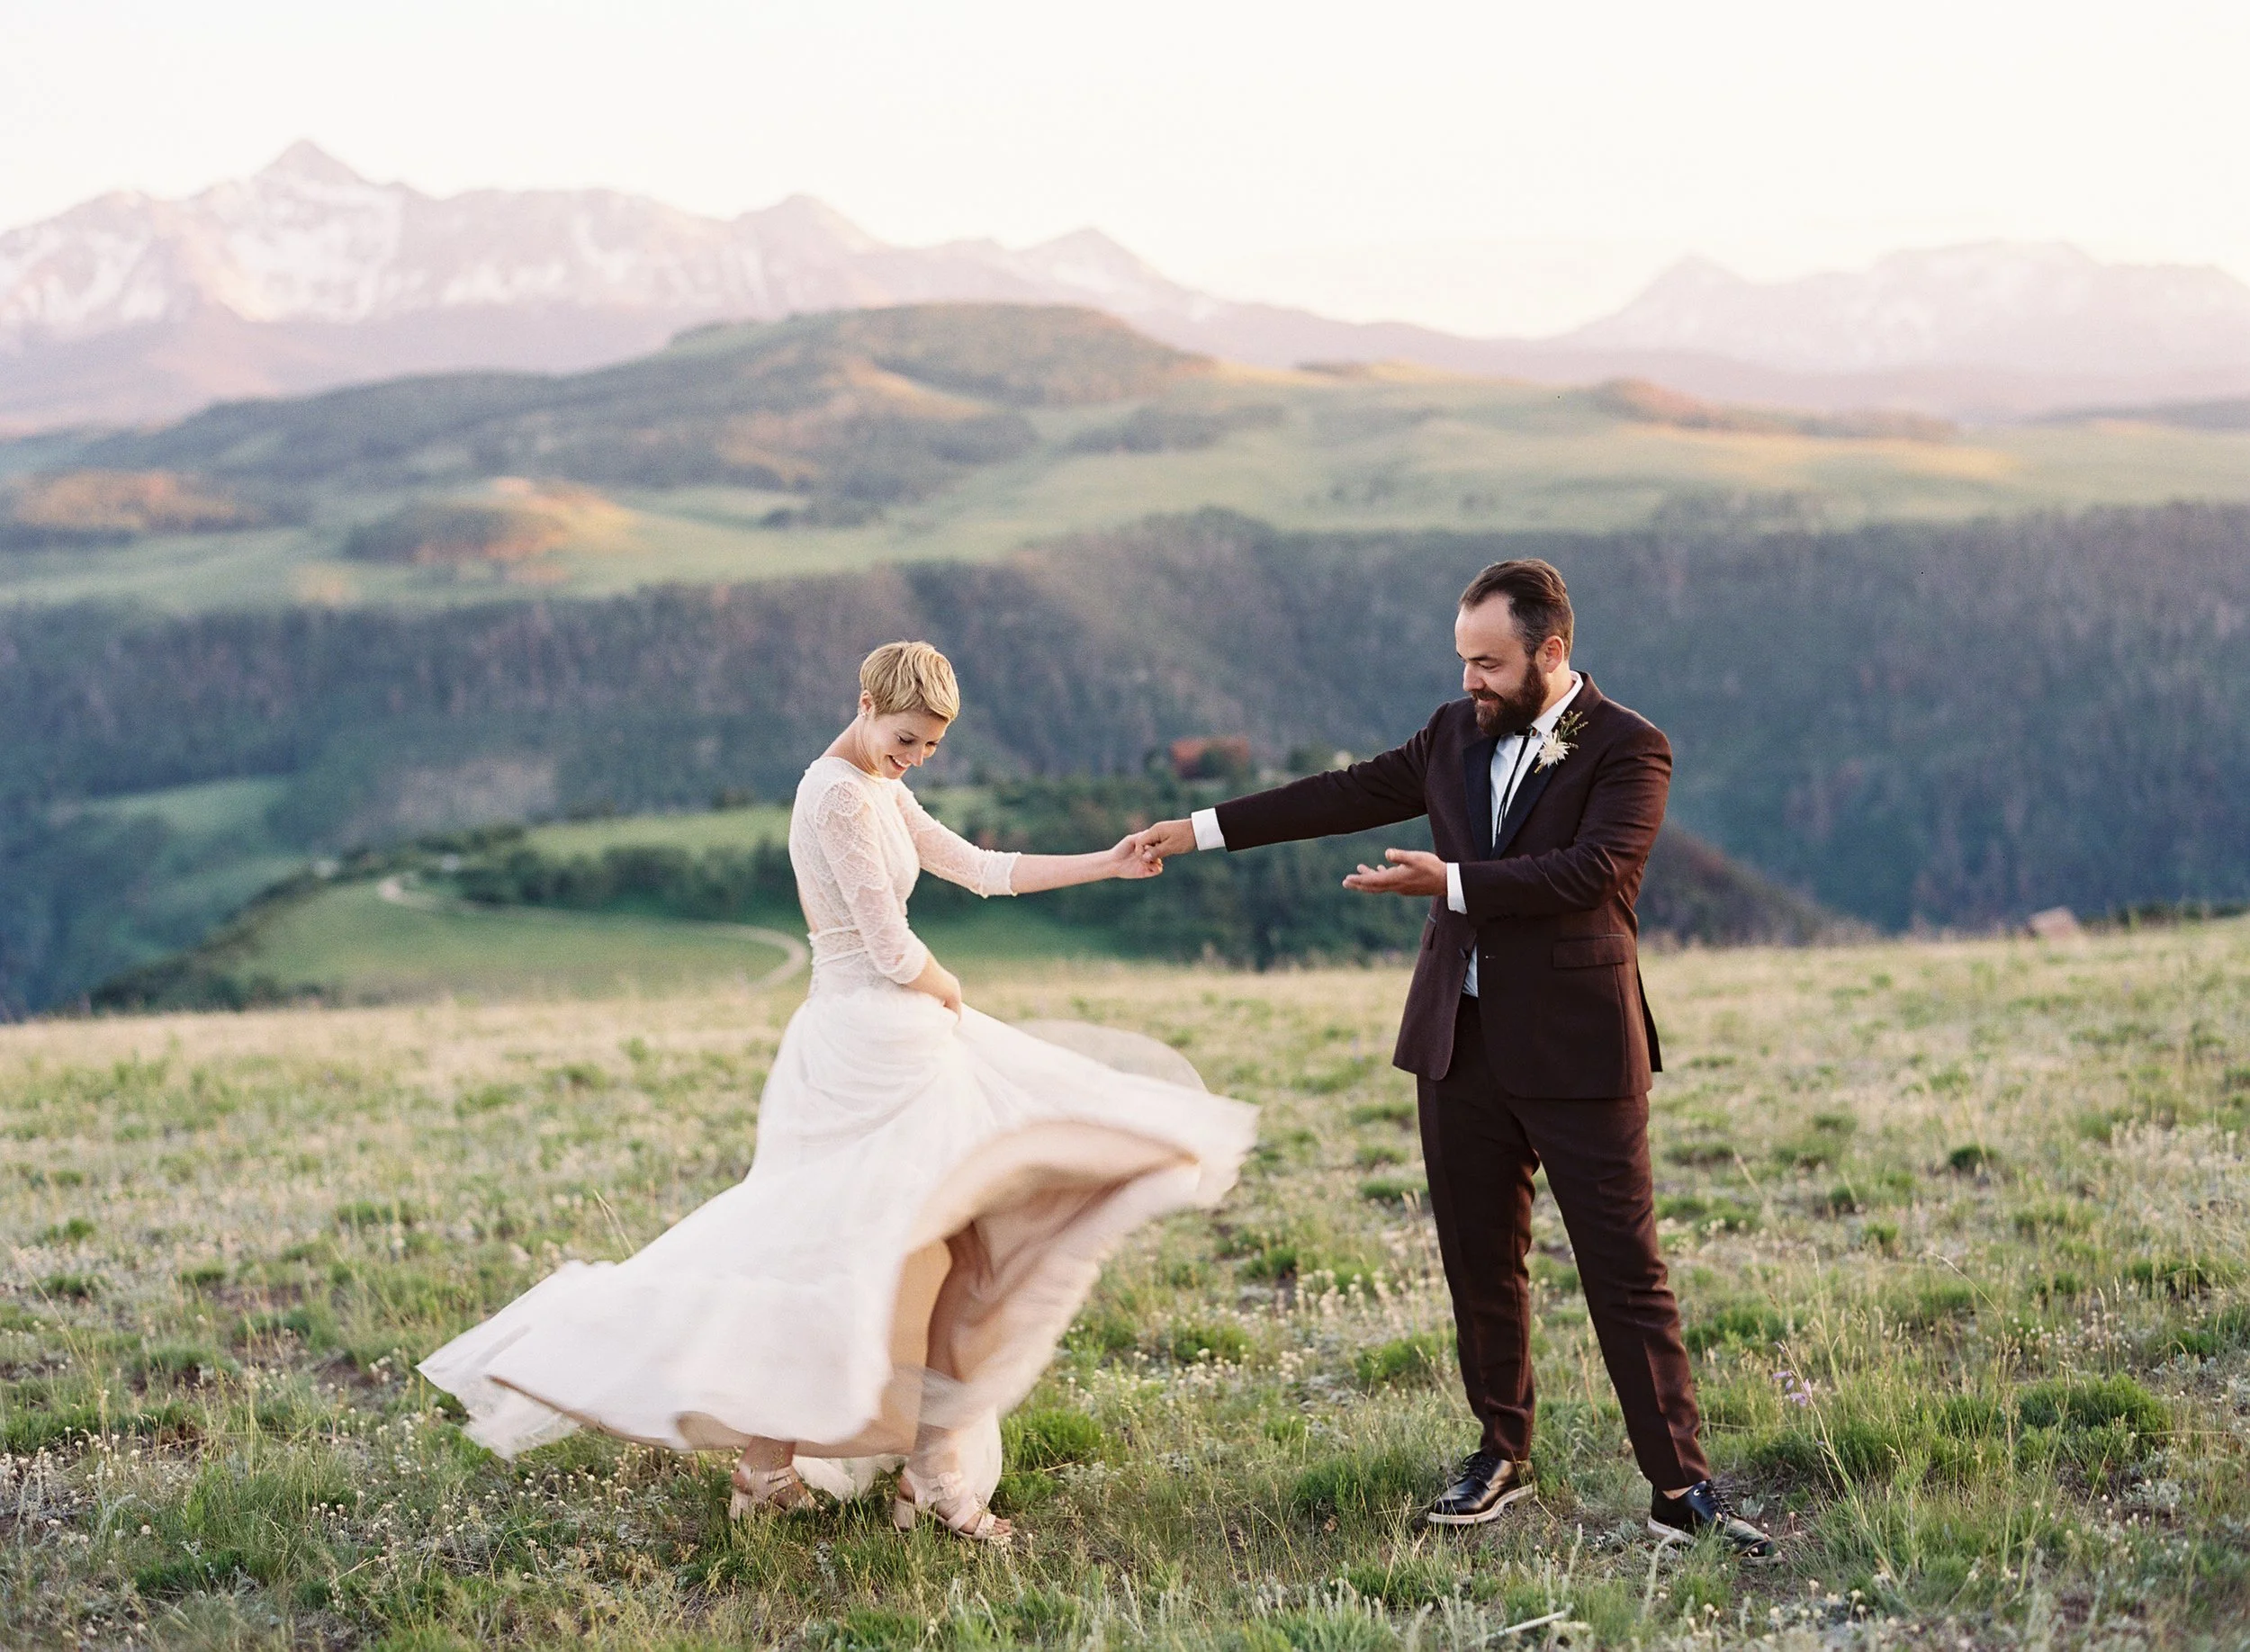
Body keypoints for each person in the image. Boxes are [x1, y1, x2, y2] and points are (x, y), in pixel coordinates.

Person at [420, 641, 1256, 1548]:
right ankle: (903, 1472)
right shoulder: (836, 795)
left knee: (894, 1244)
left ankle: (805, 1469)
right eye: (905, 739)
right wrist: (949, 991)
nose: (915, 759)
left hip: (894, 1034)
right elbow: (889, 946)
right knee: (853, 1248)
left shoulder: (878, 787)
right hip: (867, 1045)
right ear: (865, 704)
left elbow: (980, 867)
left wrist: (1107, 861)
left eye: (930, 747)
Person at [1130, 561, 1775, 1559]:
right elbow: (1343, 794)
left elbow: (1594, 872)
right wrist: (1200, 830)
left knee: (1624, 1271)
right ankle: (1501, 1453)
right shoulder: (1451, 730)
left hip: (1578, 1050)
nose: (1470, 680)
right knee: (1479, 1262)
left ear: (1550, 652)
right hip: (1457, 1042)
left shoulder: (1629, 747)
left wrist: (1453, 881)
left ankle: (1679, 1488)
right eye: (1463, 660)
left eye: (1489, 663)